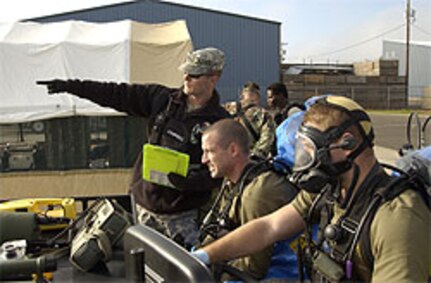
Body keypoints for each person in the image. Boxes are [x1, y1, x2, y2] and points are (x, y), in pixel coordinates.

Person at [193, 95, 431, 282]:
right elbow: (269, 227)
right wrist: (205, 255)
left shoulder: (398, 218)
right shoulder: (329, 191)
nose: (305, 158)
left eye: (311, 149)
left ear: (346, 143)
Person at [37, 47, 230, 248]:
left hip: (182, 215)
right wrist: (71, 86)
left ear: (213, 78)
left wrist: (189, 182)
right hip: (144, 205)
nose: (186, 78)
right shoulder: (162, 99)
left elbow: (222, 172)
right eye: (186, 72)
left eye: (195, 75)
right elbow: (115, 93)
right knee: (145, 265)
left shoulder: (220, 122)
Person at [198, 118, 298, 281]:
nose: (204, 160)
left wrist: (212, 272)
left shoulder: (258, 193)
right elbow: (222, 224)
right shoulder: (234, 181)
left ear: (233, 150)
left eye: (209, 151)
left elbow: (253, 268)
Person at [224, 82, 276, 159]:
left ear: (241, 96)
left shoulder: (226, 109)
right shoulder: (264, 115)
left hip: (227, 156)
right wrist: (255, 156)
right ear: (258, 97)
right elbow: (267, 138)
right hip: (248, 159)